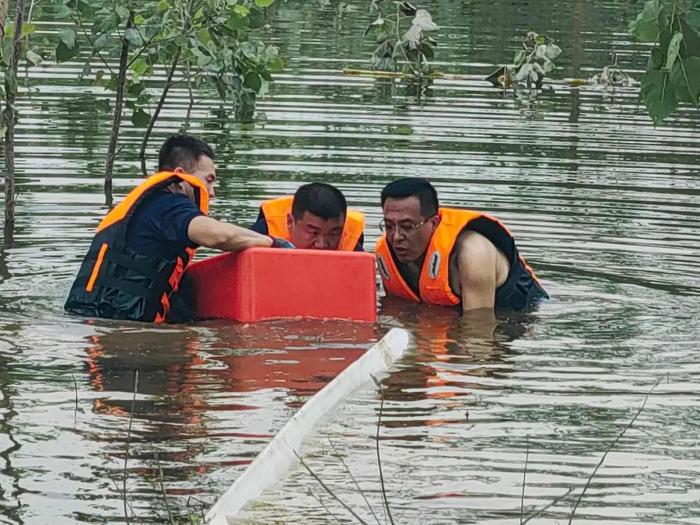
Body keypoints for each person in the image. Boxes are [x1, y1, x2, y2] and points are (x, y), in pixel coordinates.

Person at [65, 133, 289, 324]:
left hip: (96, 321)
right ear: (182, 175)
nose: (212, 192)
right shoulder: (168, 205)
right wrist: (273, 243)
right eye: (208, 181)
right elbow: (217, 236)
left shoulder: (149, 205)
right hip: (121, 331)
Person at [375, 177, 548, 314]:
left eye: (407, 227)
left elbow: (478, 336)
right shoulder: (387, 254)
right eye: (389, 226)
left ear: (434, 223)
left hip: (519, 316)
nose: (396, 237)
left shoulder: (472, 252)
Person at [250, 182, 365, 251]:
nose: (321, 245)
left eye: (333, 234)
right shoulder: (262, 234)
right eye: (313, 232)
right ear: (290, 222)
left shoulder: (352, 245)